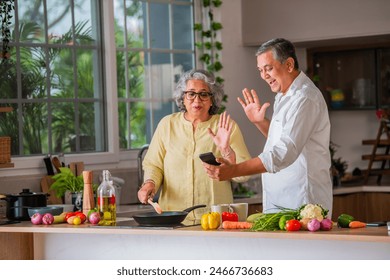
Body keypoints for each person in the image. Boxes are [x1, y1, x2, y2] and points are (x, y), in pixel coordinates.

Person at [202, 38, 333, 216]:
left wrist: (232, 170)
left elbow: (284, 152)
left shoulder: (305, 98)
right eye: (260, 70)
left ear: (288, 64)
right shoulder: (284, 94)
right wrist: (259, 122)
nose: (264, 75)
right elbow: (282, 140)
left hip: (302, 200)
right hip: (279, 199)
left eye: (268, 68)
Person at [137, 69, 251, 220]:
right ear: (182, 98)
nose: (197, 100)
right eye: (191, 94)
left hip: (215, 219)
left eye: (204, 94)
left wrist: (227, 152)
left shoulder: (225, 126)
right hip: (173, 218)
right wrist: (149, 183)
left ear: (212, 99)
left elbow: (245, 174)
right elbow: (153, 164)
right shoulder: (167, 125)